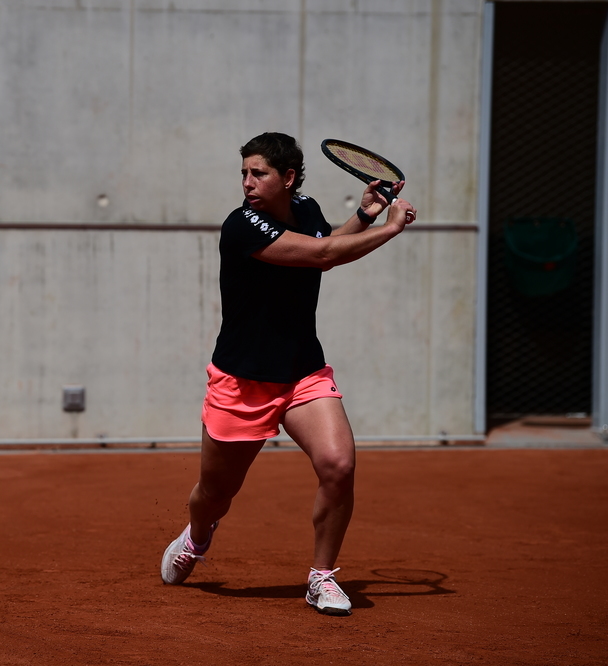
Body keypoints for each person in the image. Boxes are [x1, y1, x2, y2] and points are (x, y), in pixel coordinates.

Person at [160, 132, 417, 615]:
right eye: (244, 173)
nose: (247, 183)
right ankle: (197, 536)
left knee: (338, 465)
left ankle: (321, 577)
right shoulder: (241, 225)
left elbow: (323, 244)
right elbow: (321, 258)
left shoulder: (305, 208)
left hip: (303, 373)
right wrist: (389, 230)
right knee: (215, 493)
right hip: (242, 381)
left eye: (258, 173)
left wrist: (364, 216)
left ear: (289, 178)